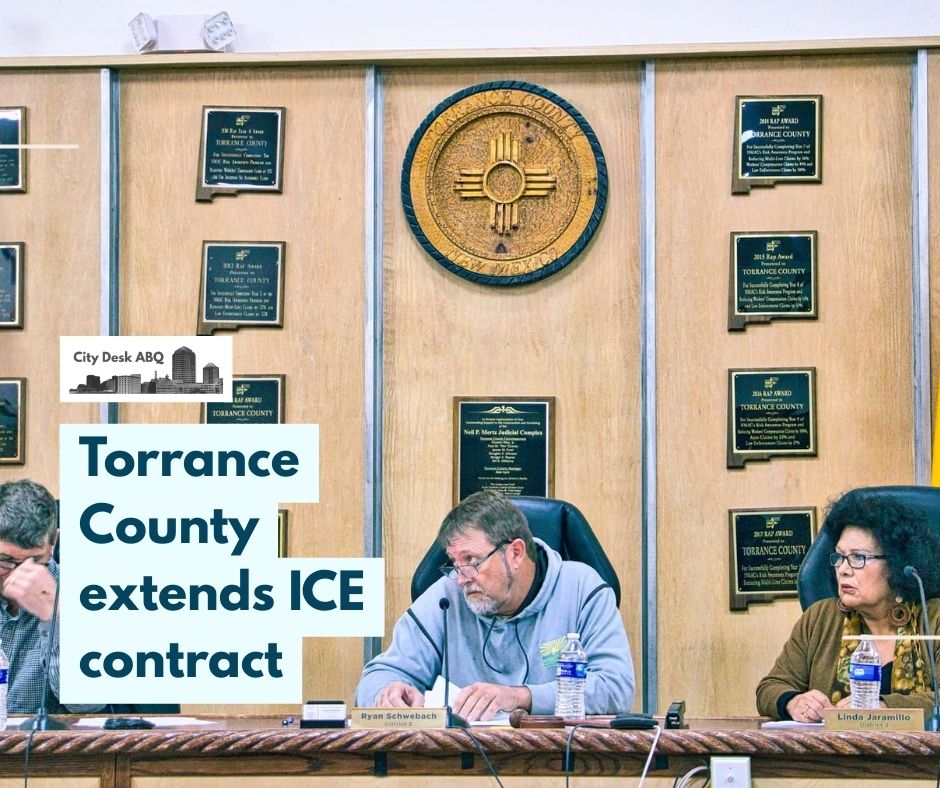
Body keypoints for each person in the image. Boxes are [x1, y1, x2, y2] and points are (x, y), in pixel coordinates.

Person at [355, 490, 635, 721]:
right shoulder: (445, 596)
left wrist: (522, 697)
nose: (462, 578)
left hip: (560, 762)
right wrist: (388, 691)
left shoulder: (582, 590)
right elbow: (374, 679)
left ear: (515, 553)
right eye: (455, 564)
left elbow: (616, 687)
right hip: (462, 766)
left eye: (472, 561)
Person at [757, 489, 940, 721]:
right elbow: (771, 687)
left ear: (896, 564)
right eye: (839, 556)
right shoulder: (820, 618)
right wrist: (793, 701)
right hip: (833, 756)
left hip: (921, 757)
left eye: (858, 558)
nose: (843, 569)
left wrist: (883, 709)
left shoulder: (934, 618)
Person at [0, 479, 102, 714]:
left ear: (53, 542)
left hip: (49, 748)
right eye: (5, 560)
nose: (19, 576)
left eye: (34, 561)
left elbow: (88, 705)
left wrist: (56, 617)